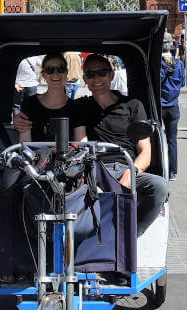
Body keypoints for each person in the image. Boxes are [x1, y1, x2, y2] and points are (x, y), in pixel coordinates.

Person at [72, 53, 169, 234]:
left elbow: (145, 152)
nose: (96, 79)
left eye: (101, 73)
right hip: (96, 167)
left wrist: (130, 172)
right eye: (90, 75)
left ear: (111, 75)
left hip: (128, 166)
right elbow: (81, 143)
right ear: (85, 79)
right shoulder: (81, 106)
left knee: (160, 186)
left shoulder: (132, 105)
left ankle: (131, 236)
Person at [15, 52, 75, 142]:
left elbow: (80, 143)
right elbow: (25, 142)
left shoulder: (75, 107)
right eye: (50, 69)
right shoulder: (30, 104)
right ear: (43, 74)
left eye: (60, 69)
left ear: (66, 73)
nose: (55, 74)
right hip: (36, 155)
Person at [160, 33, 185, 181]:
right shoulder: (179, 64)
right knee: (172, 140)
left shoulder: (157, 63)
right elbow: (182, 83)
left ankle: (158, 168)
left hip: (159, 105)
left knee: (155, 138)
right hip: (174, 106)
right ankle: (172, 172)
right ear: (171, 46)